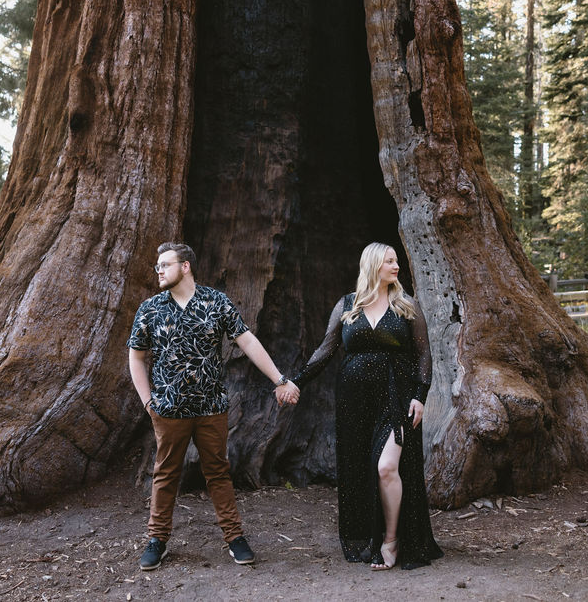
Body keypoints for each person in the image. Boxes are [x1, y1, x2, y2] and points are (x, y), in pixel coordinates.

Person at [128, 242, 300, 571]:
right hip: (169, 410)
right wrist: (148, 401)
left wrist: (279, 379)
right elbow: (136, 356)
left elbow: (247, 340)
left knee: (218, 473)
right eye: (157, 266)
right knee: (165, 475)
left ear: (186, 266)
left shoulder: (215, 302)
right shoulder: (151, 308)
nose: (159, 271)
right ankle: (157, 540)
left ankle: (235, 537)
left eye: (165, 264)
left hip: (211, 409)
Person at [283, 242, 443, 570]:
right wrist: (296, 381)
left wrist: (420, 396)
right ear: (373, 265)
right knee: (360, 468)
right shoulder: (348, 306)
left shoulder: (406, 305)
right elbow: (325, 350)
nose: (396, 266)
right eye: (389, 261)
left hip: (395, 396)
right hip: (354, 401)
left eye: (396, 261)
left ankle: (392, 539)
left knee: (386, 466)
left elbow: (424, 354)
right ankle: (368, 533)